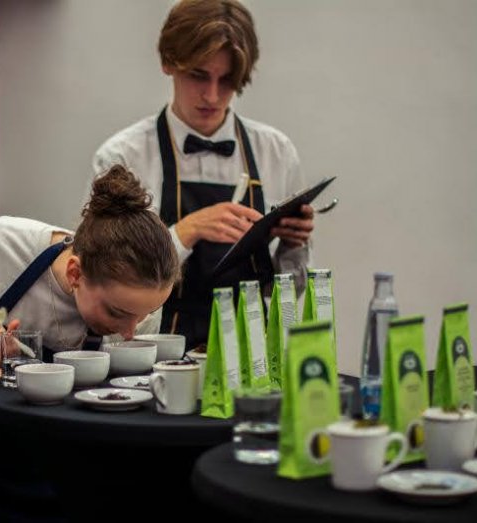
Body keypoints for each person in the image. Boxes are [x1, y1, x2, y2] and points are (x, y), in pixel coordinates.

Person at [0, 164, 180, 521]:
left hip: (63, 480)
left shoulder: (136, 303)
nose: (130, 331)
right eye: (117, 313)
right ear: (76, 272)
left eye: (144, 315)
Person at [92, 0, 315, 349]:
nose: (212, 96)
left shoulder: (276, 151)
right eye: (198, 75)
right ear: (168, 62)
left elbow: (291, 290)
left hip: (252, 354)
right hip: (154, 354)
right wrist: (185, 232)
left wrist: (293, 244)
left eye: (226, 80)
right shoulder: (123, 156)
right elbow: (105, 282)